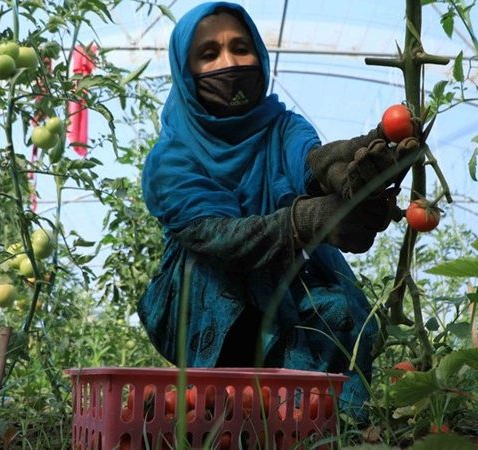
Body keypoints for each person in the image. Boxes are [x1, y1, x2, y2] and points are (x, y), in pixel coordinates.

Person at [138, 1, 419, 420]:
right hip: (206, 301)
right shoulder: (171, 158)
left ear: (259, 55)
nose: (230, 64)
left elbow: (305, 158)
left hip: (286, 281)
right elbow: (216, 236)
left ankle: (319, 413)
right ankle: (224, 394)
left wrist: (331, 168)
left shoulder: (282, 126)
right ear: (185, 70)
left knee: (335, 309)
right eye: (209, 54)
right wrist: (308, 219)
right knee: (213, 275)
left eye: (240, 47)